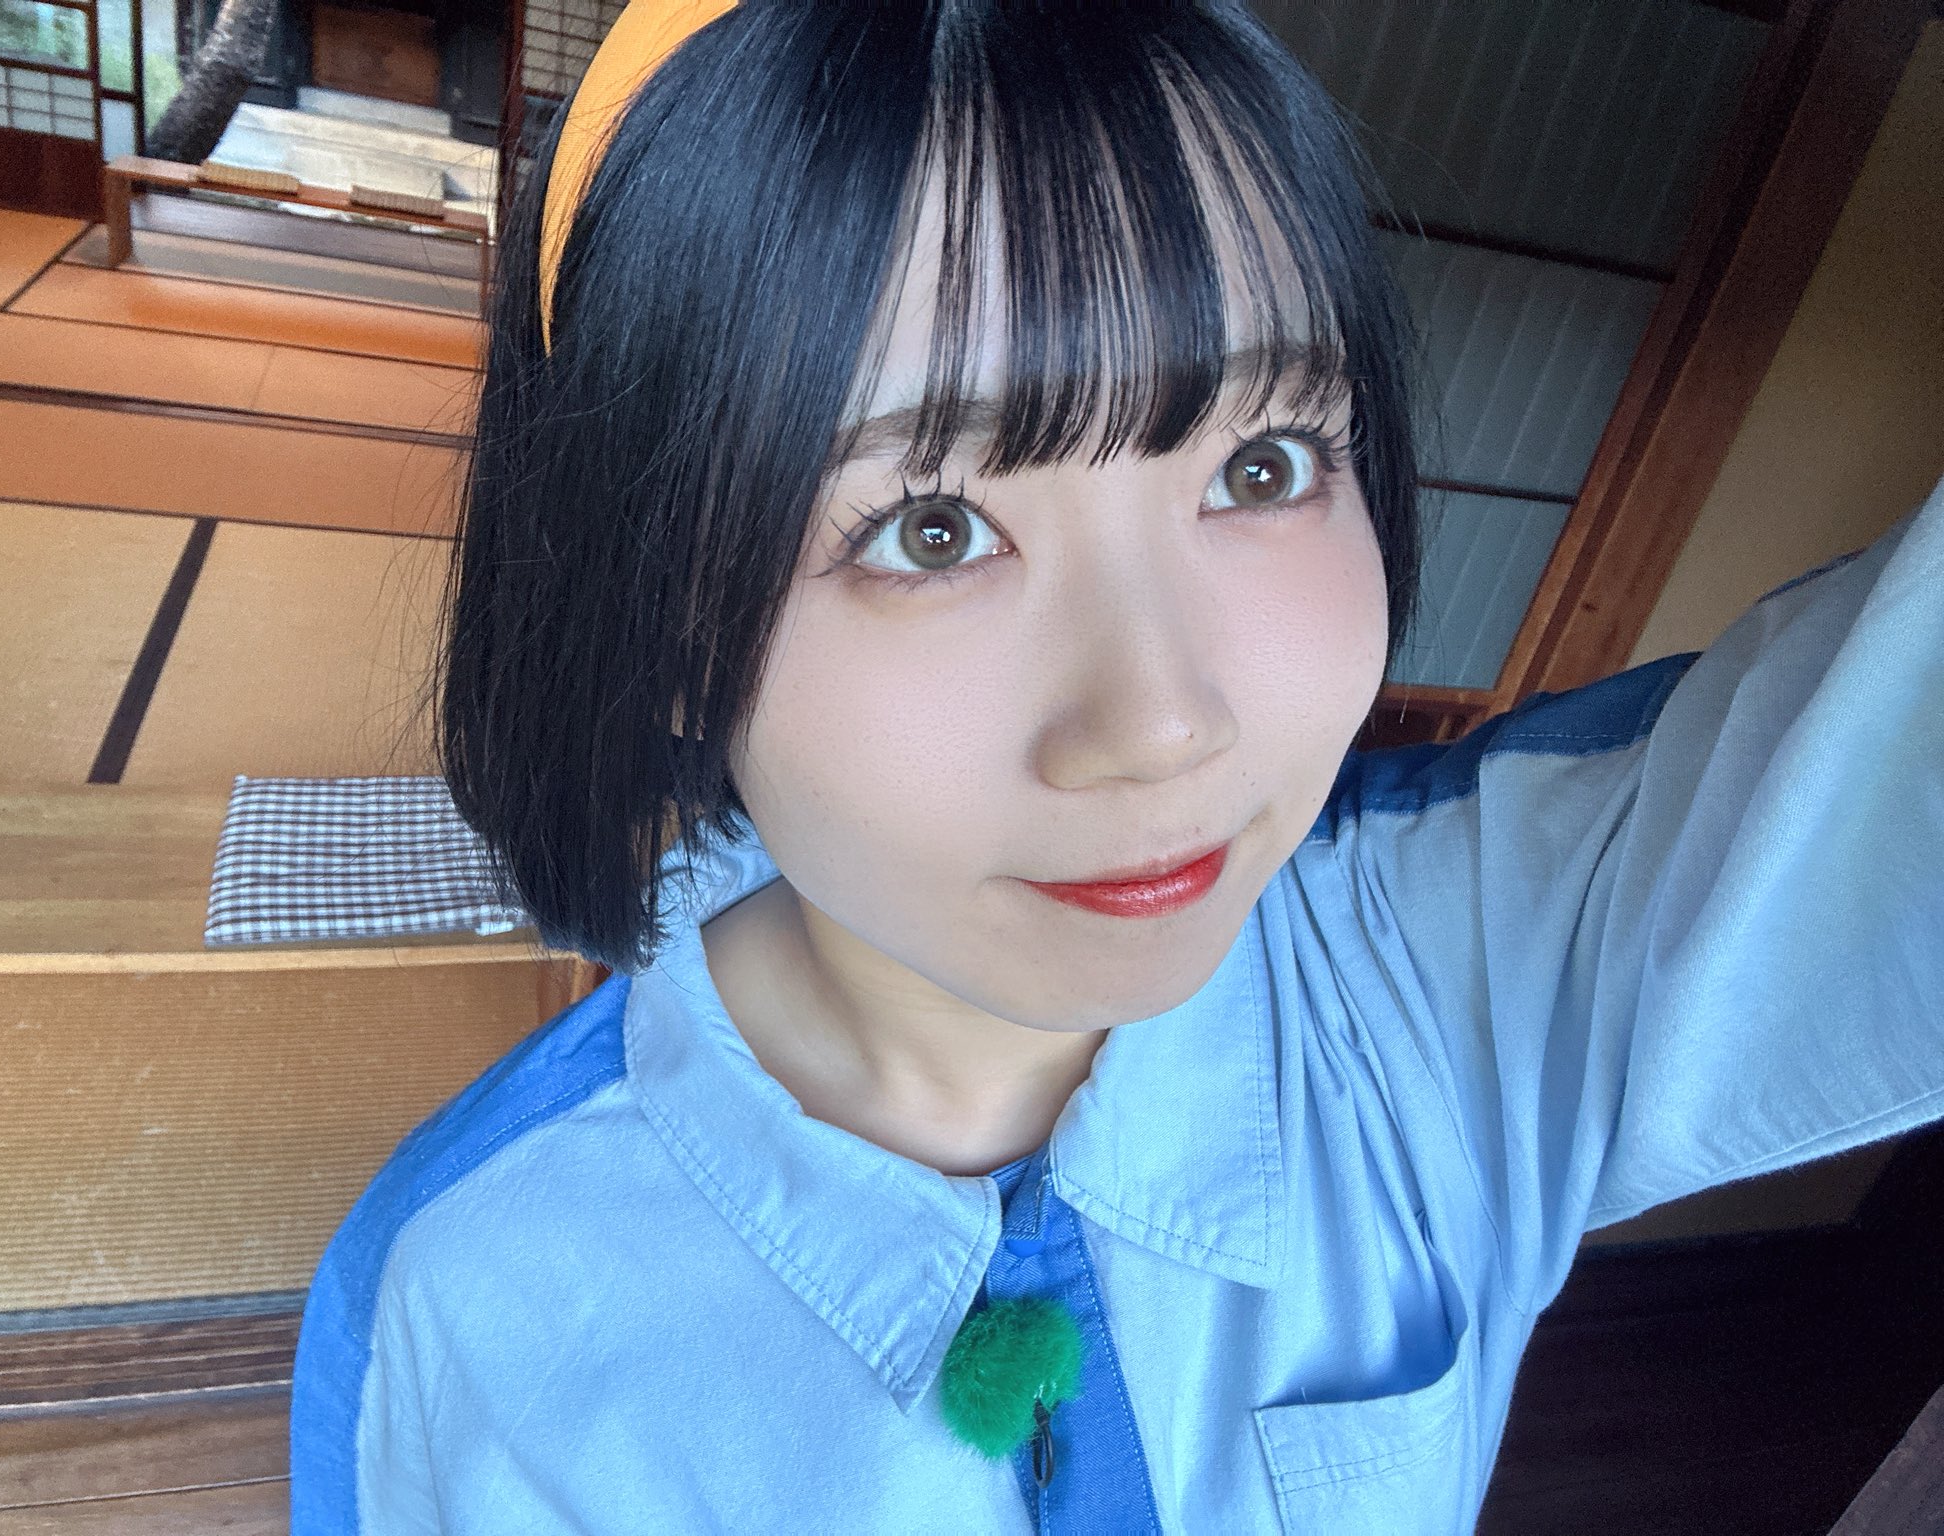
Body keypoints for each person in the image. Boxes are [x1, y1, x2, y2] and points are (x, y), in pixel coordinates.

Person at [287, 2, 1944, 1530]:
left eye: (1263, 465)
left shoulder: (1472, 966)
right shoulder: (470, 1304)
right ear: (647, 611)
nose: (1165, 723)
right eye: (933, 531)